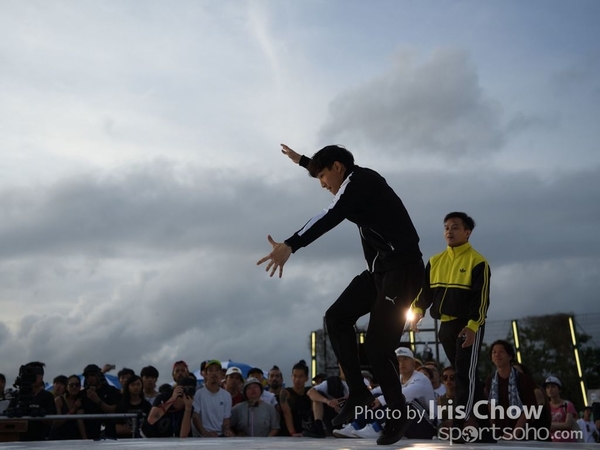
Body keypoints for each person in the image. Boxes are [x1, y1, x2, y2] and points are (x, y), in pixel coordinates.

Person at [258, 144, 424, 445]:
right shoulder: (352, 182)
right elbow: (331, 181)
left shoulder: (361, 181)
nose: (323, 185)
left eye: (323, 176)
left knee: (378, 346)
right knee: (336, 317)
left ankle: (397, 415)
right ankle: (359, 392)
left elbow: (329, 215)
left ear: (337, 168)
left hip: (403, 270)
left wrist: (291, 244)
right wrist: (305, 162)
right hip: (380, 272)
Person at [410, 211, 491, 439]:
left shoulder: (478, 262)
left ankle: (458, 426)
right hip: (444, 327)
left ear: (467, 233)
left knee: (464, 376)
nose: (449, 231)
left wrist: (473, 326)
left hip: (468, 327)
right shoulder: (435, 261)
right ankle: (485, 430)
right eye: (446, 227)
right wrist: (417, 311)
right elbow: (424, 294)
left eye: (455, 227)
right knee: (466, 375)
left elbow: (481, 300)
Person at [485, 340, 538, 440]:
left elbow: (529, 409)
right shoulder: (490, 380)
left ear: (510, 356)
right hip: (498, 434)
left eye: (501, 351)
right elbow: (490, 406)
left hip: (522, 435)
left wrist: (514, 434)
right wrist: (492, 431)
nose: (497, 355)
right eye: (494, 352)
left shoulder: (522, 379)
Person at [7, 362, 57, 441]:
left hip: (40, 439)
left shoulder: (47, 396)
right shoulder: (18, 395)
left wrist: (38, 414)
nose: (35, 377)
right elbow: (8, 418)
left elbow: (52, 420)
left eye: (38, 374)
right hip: (19, 439)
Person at [191, 359, 234, 437]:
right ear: (205, 374)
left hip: (220, 436)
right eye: (210, 370)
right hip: (202, 437)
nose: (214, 373)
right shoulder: (198, 393)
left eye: (217, 370)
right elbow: (195, 416)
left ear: (220, 374)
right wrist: (205, 433)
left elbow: (226, 418)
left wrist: (227, 430)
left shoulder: (226, 395)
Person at [79, 363, 122, 440]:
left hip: (109, 433)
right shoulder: (83, 394)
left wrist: (97, 400)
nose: (89, 378)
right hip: (90, 434)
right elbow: (80, 417)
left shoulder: (111, 390)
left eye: (92, 375)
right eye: (87, 376)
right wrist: (84, 438)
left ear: (98, 375)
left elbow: (114, 410)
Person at [278, 359, 313, 437]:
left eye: (301, 376)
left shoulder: (310, 391)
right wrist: (292, 432)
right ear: (292, 377)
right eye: (295, 376)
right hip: (288, 433)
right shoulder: (285, 393)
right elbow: (287, 413)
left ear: (306, 378)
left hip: (307, 431)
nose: (297, 379)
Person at [49, 374, 86, 440]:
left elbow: (80, 422)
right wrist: (73, 409)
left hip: (75, 438)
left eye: (77, 385)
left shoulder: (81, 400)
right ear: (67, 387)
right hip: (58, 437)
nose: (74, 387)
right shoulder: (59, 400)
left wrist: (85, 440)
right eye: (71, 385)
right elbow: (57, 423)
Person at [544, 376, 579, 442]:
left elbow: (568, 424)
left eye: (553, 387)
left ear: (559, 390)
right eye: (547, 387)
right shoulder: (546, 406)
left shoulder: (567, 404)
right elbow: (543, 426)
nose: (550, 389)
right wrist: (561, 426)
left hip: (567, 443)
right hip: (551, 442)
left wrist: (550, 425)